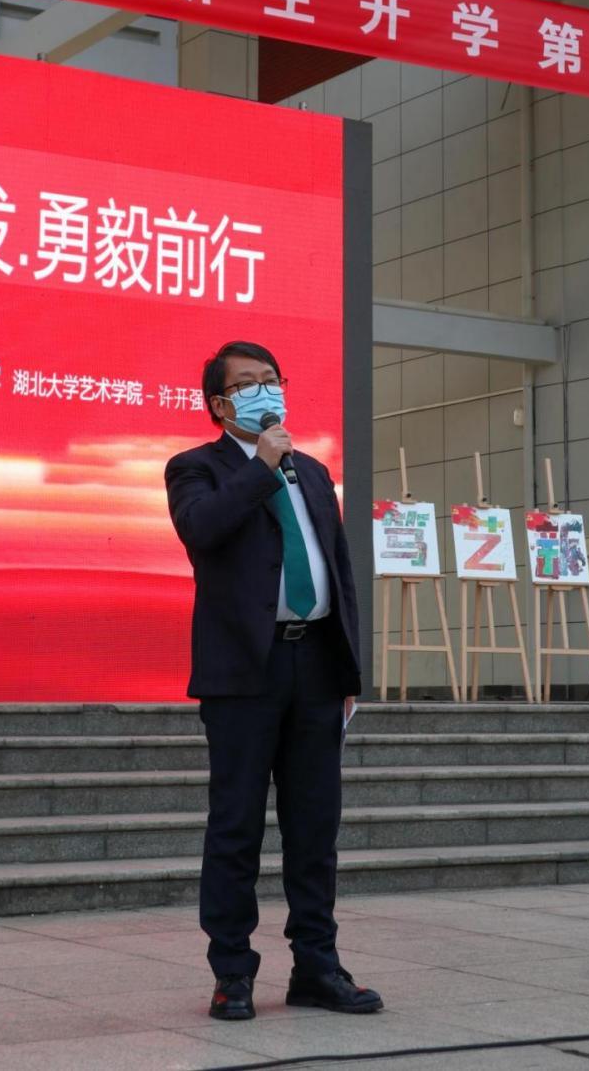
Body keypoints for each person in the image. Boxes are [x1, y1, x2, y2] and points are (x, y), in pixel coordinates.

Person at [165, 340, 382, 1021]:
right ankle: (232, 973)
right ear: (220, 403)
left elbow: (338, 571)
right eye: (249, 383)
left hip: (315, 665)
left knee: (315, 829)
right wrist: (260, 466)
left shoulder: (312, 472)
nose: (267, 391)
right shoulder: (195, 469)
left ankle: (317, 967)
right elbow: (201, 530)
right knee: (235, 828)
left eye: (272, 379)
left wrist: (349, 668)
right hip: (244, 672)